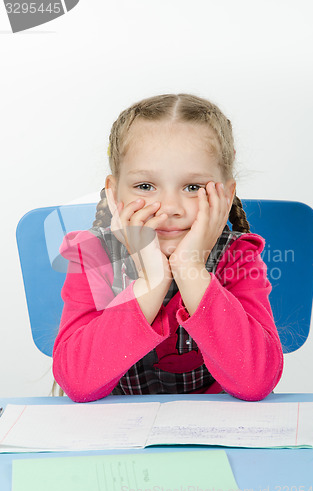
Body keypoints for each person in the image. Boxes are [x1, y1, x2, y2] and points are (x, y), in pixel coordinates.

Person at [52, 93, 283, 403]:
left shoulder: (236, 256)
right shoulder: (92, 255)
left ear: (226, 195)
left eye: (192, 187)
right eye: (145, 186)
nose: (171, 208)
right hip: (115, 438)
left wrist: (190, 269)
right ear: (113, 192)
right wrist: (151, 282)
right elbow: (77, 383)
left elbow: (256, 381)